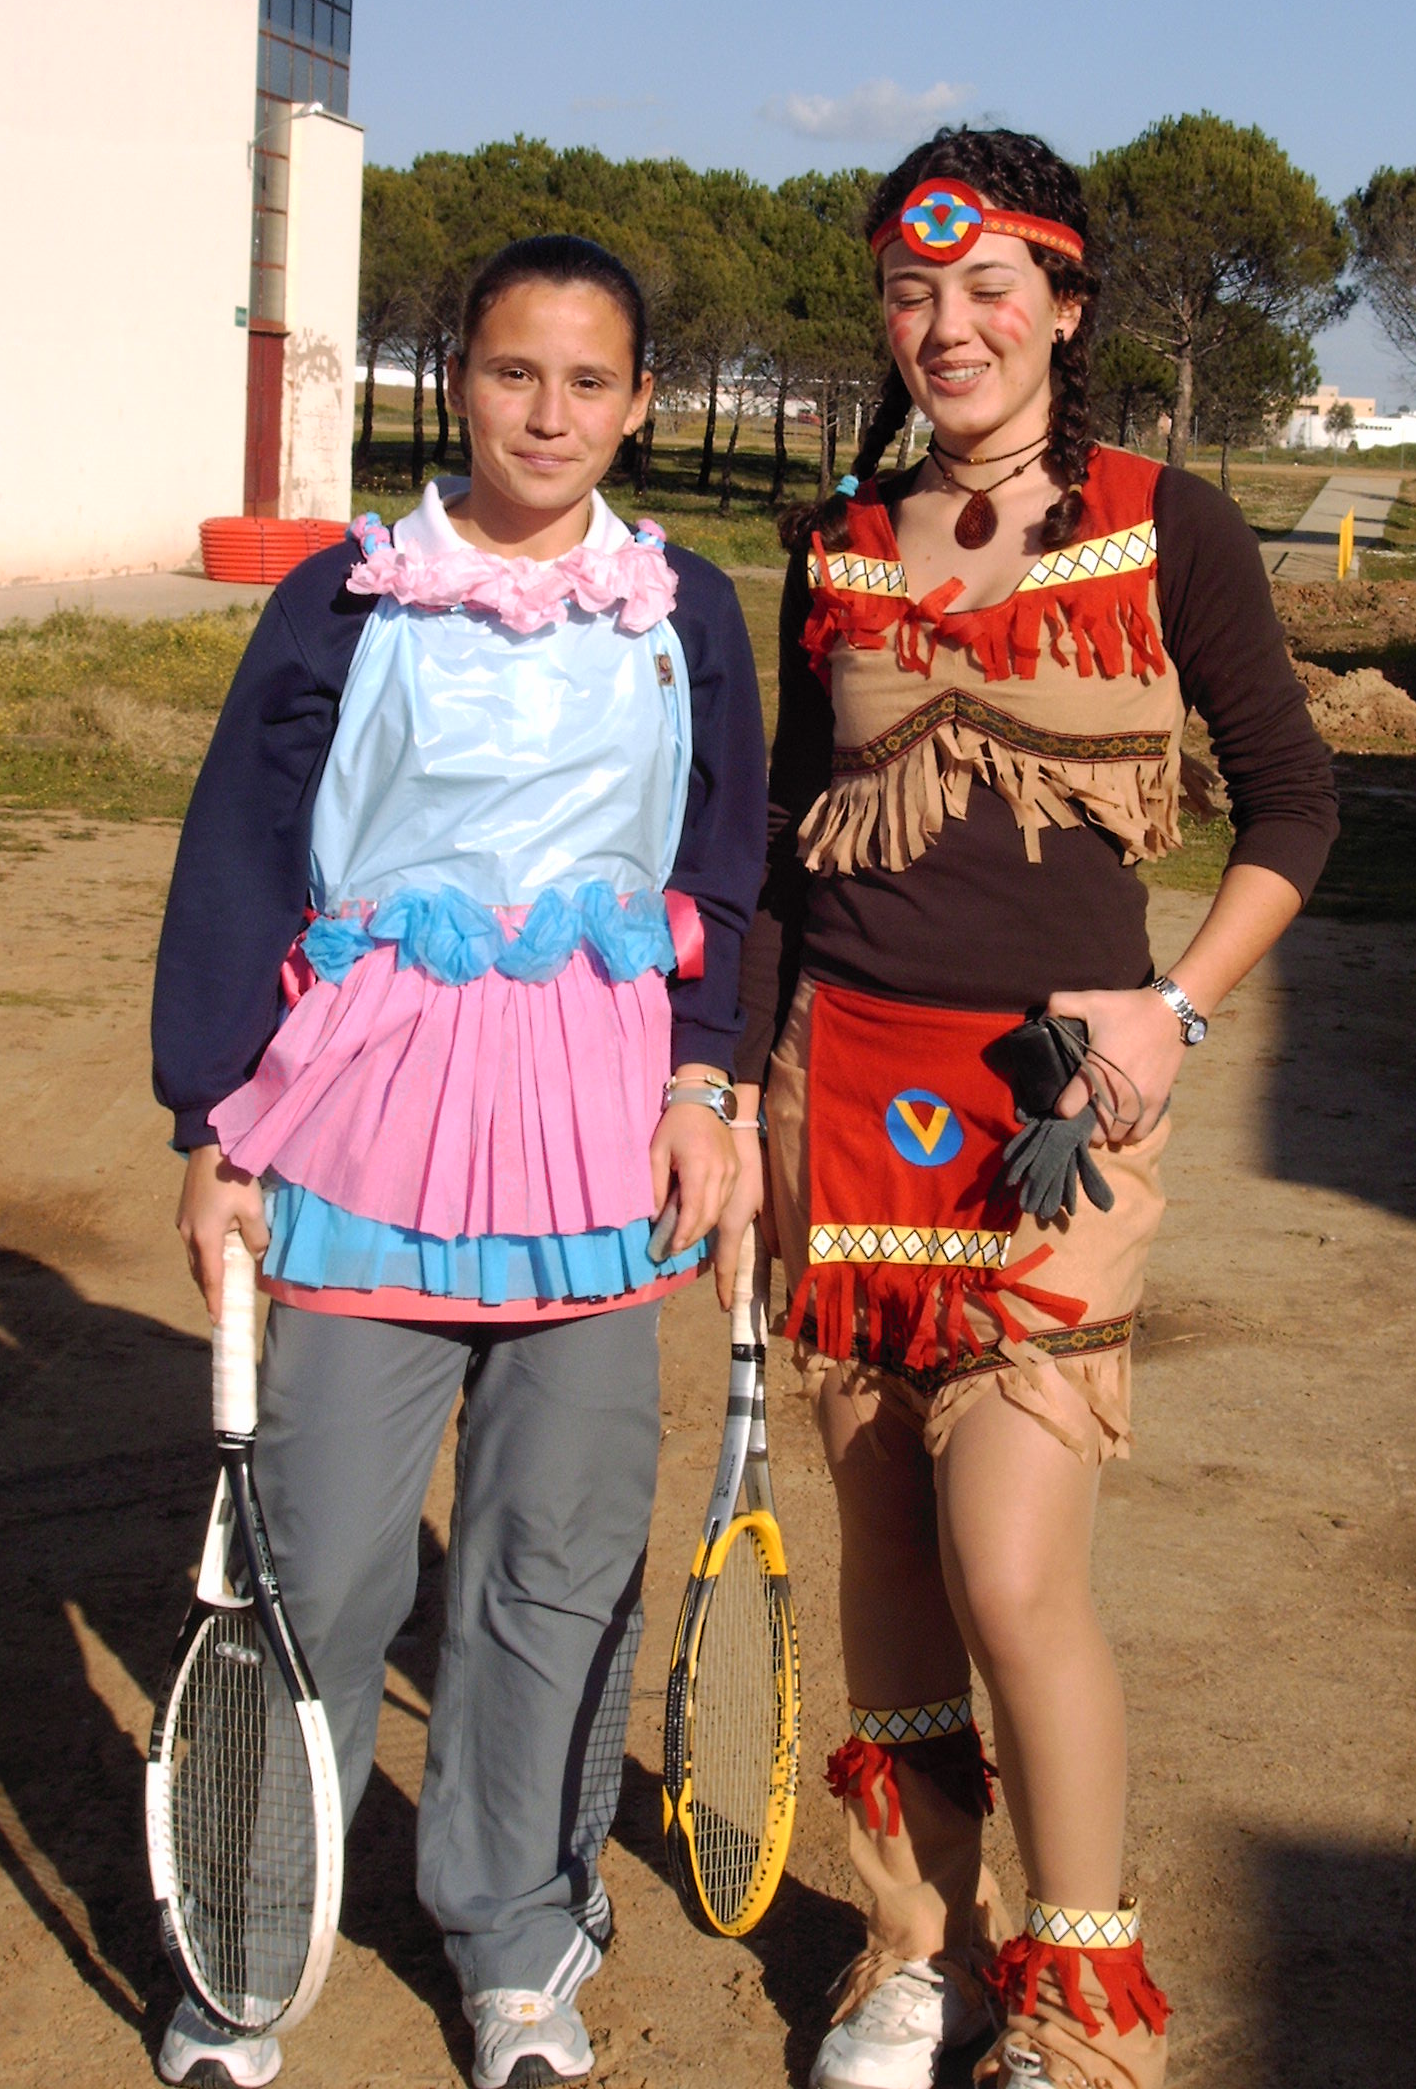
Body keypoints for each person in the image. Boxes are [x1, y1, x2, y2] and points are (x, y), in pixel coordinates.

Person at [736, 130, 1338, 2089]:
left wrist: (1176, 1006)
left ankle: (1085, 2009)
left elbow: (1298, 805)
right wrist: (731, 1091)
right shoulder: (838, 536)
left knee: (1010, 1560)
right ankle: (920, 1949)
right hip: (845, 1092)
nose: (951, 325)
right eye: (914, 291)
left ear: (1066, 305)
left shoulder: (1171, 526)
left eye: (990, 286)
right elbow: (780, 847)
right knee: (889, 1544)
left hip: (1057, 1109)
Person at [150, 235, 768, 2089]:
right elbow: (242, 849)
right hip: (366, 1131)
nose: (548, 416)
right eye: (513, 373)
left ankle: (517, 1940)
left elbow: (725, 869)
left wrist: (709, 1083)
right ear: (456, 381)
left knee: (553, 1563)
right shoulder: (347, 596)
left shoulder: (686, 609)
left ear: (639, 403)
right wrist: (211, 1126)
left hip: (596, 1146)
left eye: (588, 383)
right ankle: (252, 1938)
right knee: (321, 1562)